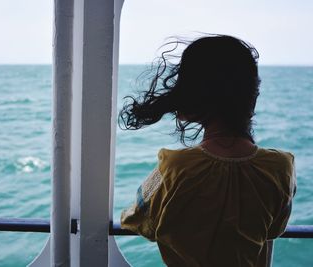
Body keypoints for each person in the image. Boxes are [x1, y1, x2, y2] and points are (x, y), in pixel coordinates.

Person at [119, 35, 296, 267]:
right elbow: (276, 228)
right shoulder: (281, 167)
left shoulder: (175, 167)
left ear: (195, 96)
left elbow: (138, 219)